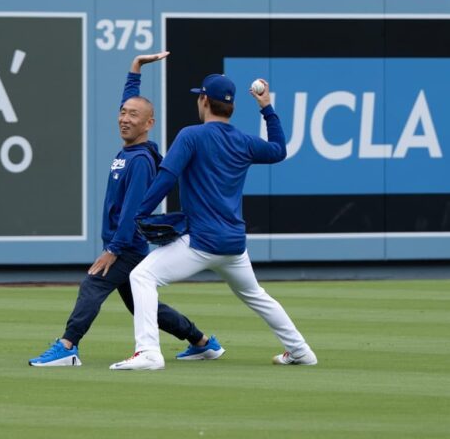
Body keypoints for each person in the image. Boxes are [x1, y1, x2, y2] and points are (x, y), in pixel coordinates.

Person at [29, 51, 224, 368]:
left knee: (93, 283)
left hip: (126, 245)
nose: (125, 118)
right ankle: (202, 342)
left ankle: (67, 346)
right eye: (122, 113)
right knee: (141, 305)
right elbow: (131, 104)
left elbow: (134, 211)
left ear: (149, 124)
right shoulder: (132, 148)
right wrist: (135, 69)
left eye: (133, 115)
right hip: (123, 244)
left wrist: (114, 250)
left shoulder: (141, 161)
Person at [111, 74, 317, 371]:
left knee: (141, 276)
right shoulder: (244, 141)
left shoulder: (191, 135)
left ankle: (148, 352)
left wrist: (140, 212)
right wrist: (266, 107)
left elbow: (167, 176)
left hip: (201, 241)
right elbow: (278, 149)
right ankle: (301, 351)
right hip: (233, 244)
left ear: (204, 100)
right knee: (256, 295)